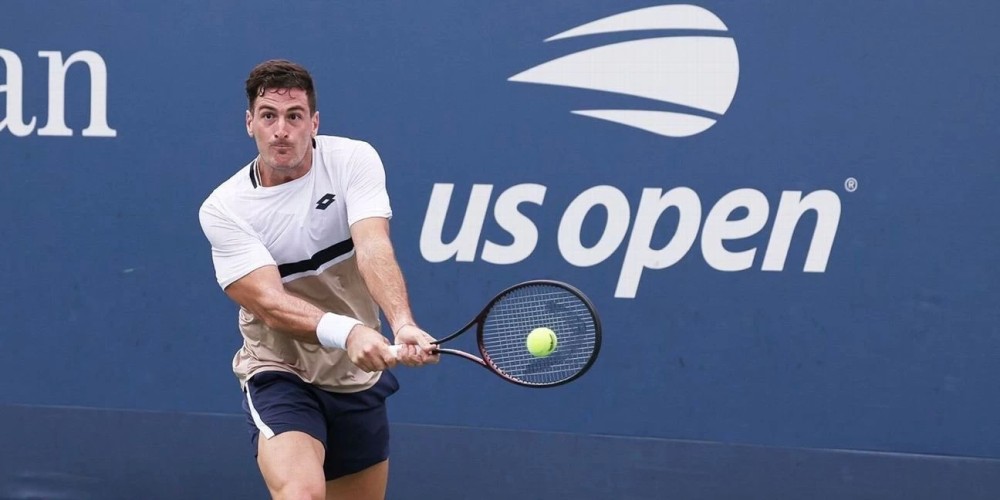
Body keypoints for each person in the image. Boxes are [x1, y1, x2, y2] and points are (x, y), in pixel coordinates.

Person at [198, 59, 438, 500]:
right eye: (268, 116)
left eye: (294, 116)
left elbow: (372, 246)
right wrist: (348, 332)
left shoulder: (353, 160)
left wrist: (401, 322)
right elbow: (269, 302)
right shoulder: (225, 208)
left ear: (314, 123)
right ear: (250, 123)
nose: (281, 130)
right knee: (301, 493)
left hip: (354, 378)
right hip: (280, 370)